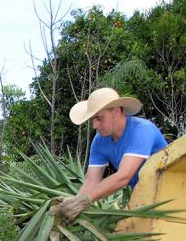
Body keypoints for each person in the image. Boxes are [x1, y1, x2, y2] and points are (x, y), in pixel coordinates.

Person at [52, 87, 167, 224]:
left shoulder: (142, 130)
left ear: (117, 111)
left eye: (99, 118)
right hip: (143, 194)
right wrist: (73, 203)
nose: (95, 125)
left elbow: (124, 176)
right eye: (93, 120)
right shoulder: (99, 141)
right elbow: (91, 181)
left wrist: (85, 200)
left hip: (169, 190)